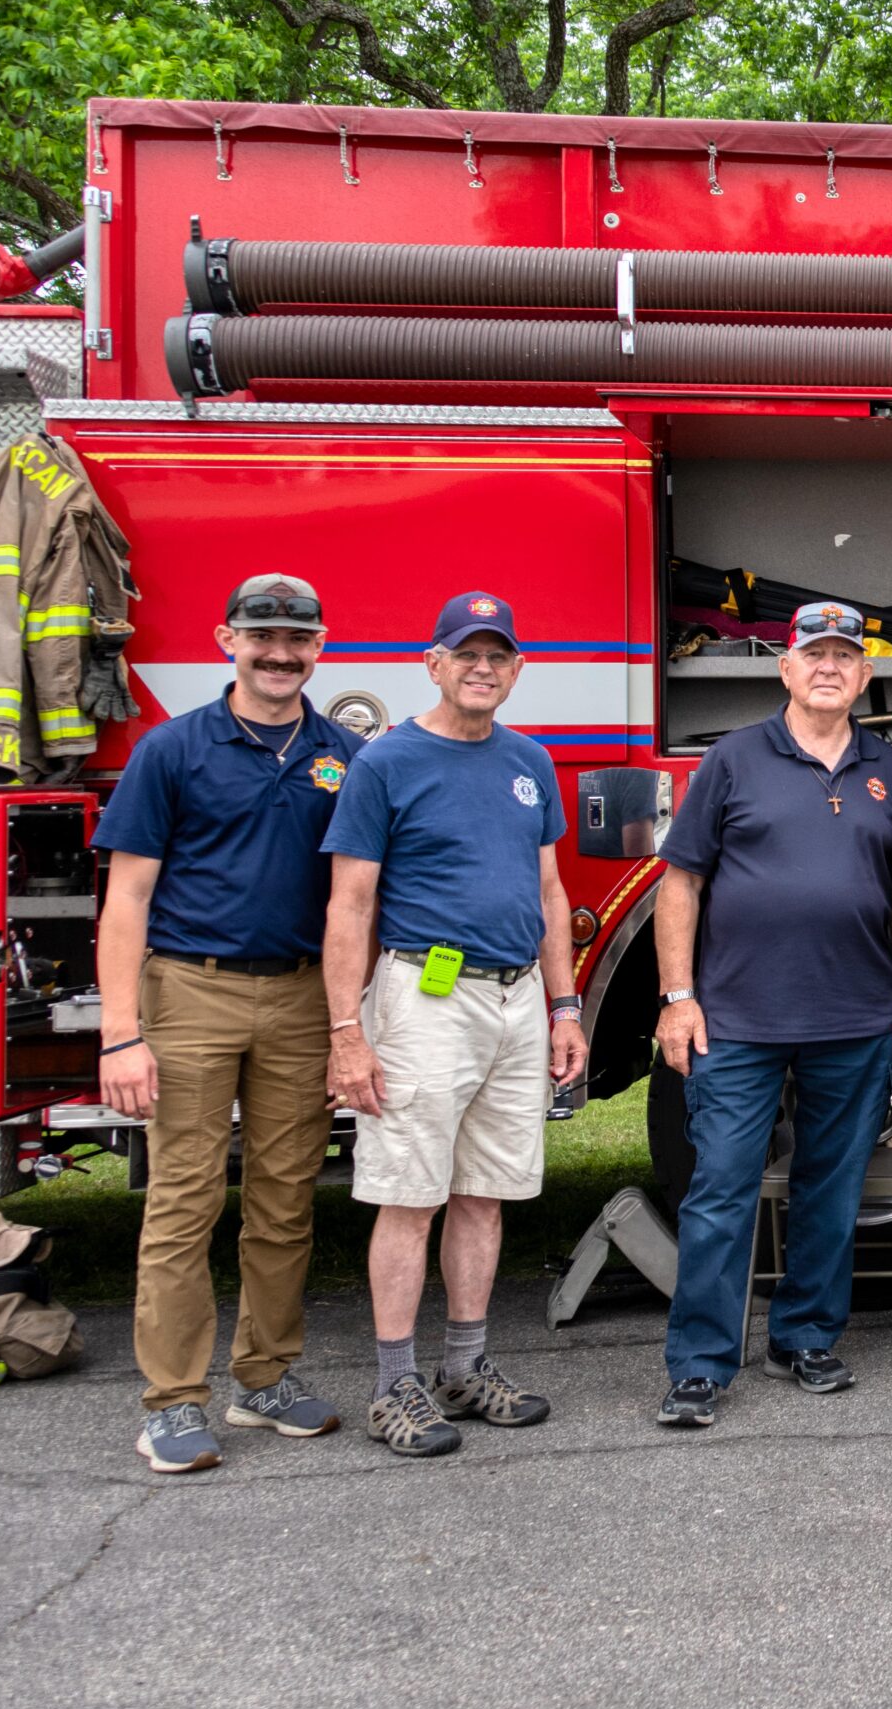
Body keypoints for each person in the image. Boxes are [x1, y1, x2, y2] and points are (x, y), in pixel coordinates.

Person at [94, 574, 365, 1474]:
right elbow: (127, 900)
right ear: (227, 640)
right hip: (191, 991)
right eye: (262, 637)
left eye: (298, 639)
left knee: (286, 1200)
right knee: (185, 1200)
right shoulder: (172, 750)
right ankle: (173, 1401)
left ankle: (264, 1378)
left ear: (320, 645)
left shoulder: (344, 755)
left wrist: (348, 1023)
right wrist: (121, 1033)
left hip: (300, 997)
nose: (280, 654)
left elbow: (358, 897)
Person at [652, 602, 892, 1428]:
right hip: (737, 1021)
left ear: (866, 675)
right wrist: (677, 998)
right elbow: (681, 884)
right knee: (720, 1190)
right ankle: (700, 1364)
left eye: (845, 656)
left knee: (831, 1190)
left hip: (856, 1016)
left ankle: (804, 1336)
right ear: (785, 668)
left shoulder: (888, 768)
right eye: (814, 655)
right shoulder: (733, 759)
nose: (829, 667)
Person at [322, 592, 589, 1457]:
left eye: (497, 655)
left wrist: (564, 1006)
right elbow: (350, 904)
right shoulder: (386, 763)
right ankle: (393, 1385)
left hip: (516, 1000)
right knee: (410, 1196)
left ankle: (464, 1368)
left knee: (484, 1193)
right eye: (466, 654)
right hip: (425, 998)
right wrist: (346, 1032)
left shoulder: (529, 761)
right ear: (432, 664)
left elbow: (549, 891)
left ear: (517, 670)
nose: (482, 668)